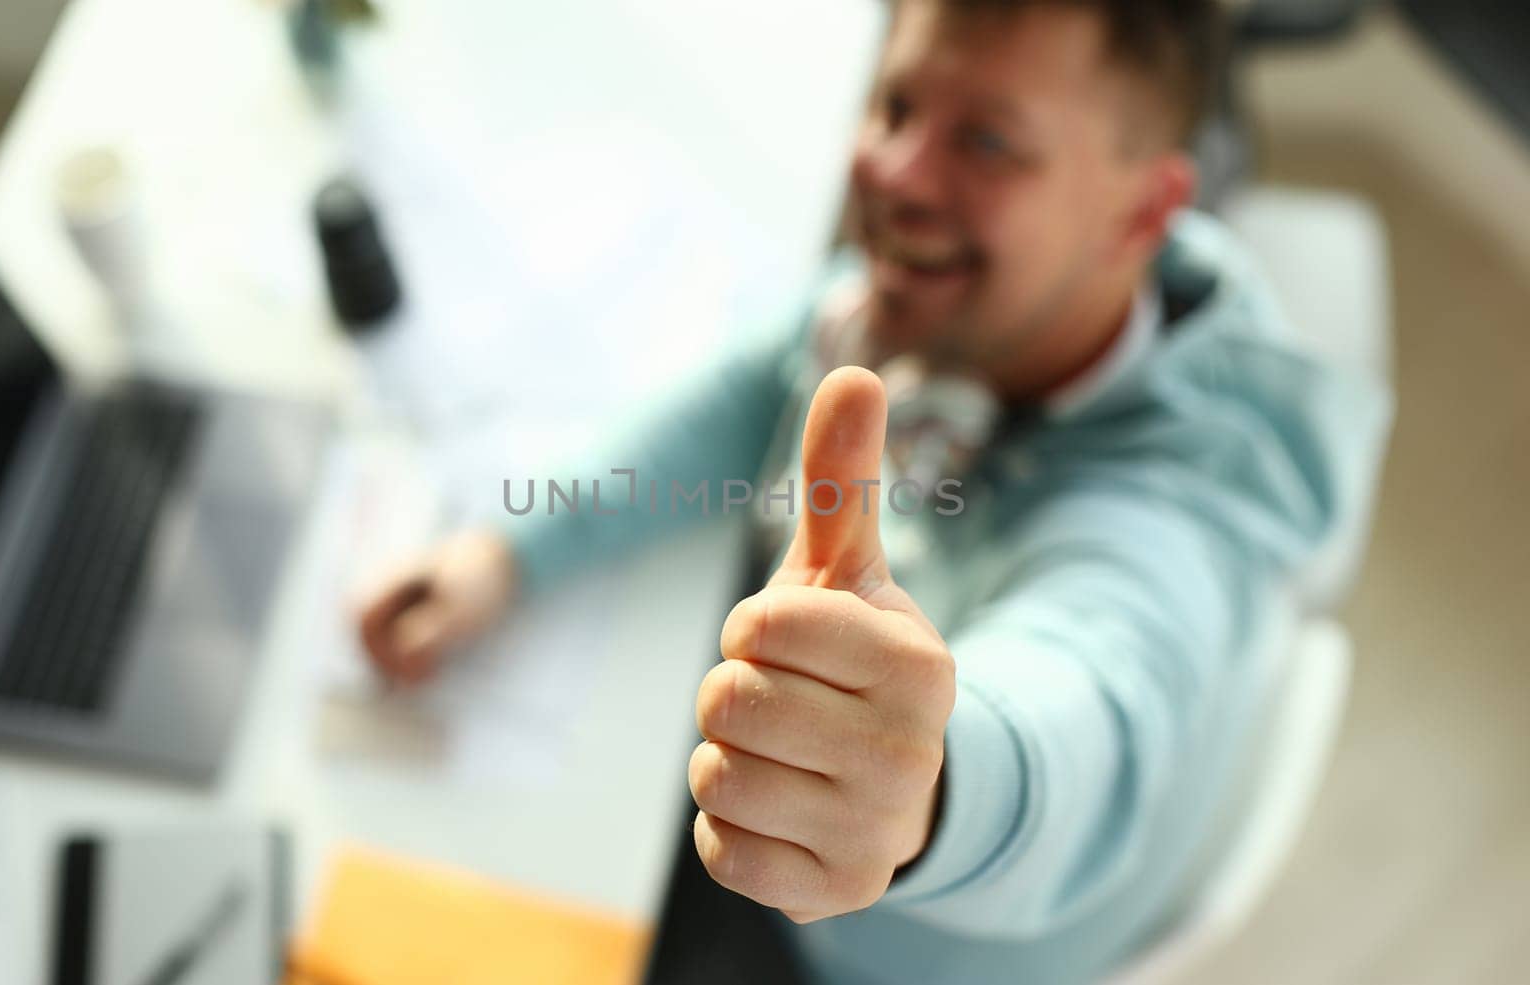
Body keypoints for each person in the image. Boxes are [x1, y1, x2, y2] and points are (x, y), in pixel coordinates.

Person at [356, 0, 1392, 982]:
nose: (893, 170)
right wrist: (507, 554)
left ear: (1145, 209)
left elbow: (1090, 704)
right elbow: (760, 382)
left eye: (986, 142)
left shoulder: (1172, 512)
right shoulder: (962, 289)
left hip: (873, 942)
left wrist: (929, 781)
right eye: (898, 105)